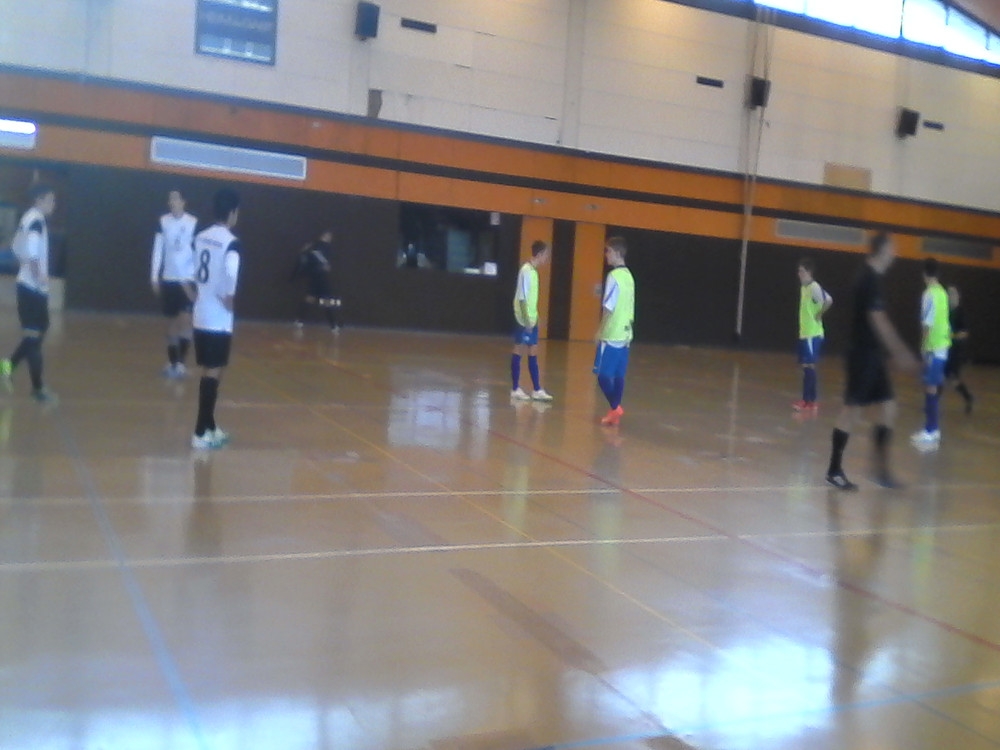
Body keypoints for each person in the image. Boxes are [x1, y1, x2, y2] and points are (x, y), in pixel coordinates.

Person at [825, 232, 918, 491]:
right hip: (862, 355)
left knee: (889, 407)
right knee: (851, 411)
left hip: (873, 355)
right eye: (892, 249)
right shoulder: (868, 279)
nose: (895, 254)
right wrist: (901, 353)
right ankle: (834, 470)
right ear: (882, 250)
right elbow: (879, 320)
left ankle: (880, 472)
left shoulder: (872, 278)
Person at [190, 188, 242, 450]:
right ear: (232, 213)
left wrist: (198, 294)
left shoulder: (200, 237)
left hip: (200, 313)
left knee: (214, 369)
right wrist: (229, 296)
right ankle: (200, 432)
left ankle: (210, 426)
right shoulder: (231, 242)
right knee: (212, 371)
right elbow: (231, 271)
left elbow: (189, 269)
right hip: (218, 318)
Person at [0, 184, 58, 403]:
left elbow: (16, 248)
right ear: (39, 200)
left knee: (39, 330)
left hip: (34, 289)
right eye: (50, 200)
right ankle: (38, 389)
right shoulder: (35, 221)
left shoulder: (29, 218)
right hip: (31, 289)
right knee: (33, 338)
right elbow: (31, 252)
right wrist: (37, 275)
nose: (53, 204)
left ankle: (7, 366)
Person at [150, 189, 197, 378]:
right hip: (169, 280)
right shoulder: (163, 222)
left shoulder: (193, 223)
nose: (172, 202)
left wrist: (194, 279)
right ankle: (171, 362)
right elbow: (157, 250)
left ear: (183, 202)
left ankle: (181, 364)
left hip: (186, 281)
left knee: (185, 322)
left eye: (176, 199)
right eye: (170, 199)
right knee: (171, 324)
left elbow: (197, 252)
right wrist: (154, 277)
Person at [594, 236, 635, 427]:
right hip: (626, 333)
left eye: (608, 251)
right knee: (618, 375)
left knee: (602, 376)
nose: (606, 255)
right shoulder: (629, 276)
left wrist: (600, 330)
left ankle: (615, 407)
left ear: (617, 253)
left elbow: (608, 307)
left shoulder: (614, 276)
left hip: (612, 333)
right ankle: (614, 414)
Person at [911, 258, 951, 452]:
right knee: (932, 387)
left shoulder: (929, 294)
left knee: (931, 388)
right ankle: (932, 429)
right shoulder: (942, 293)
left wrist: (923, 346)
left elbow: (927, 322)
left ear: (924, 274)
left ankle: (931, 431)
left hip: (933, 347)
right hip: (943, 346)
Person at [510, 240, 554, 401]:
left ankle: (536, 389)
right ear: (540, 254)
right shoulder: (526, 271)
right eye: (546, 255)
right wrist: (527, 320)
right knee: (518, 349)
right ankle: (515, 388)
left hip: (531, 318)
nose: (547, 259)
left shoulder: (534, 272)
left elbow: (531, 299)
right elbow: (522, 298)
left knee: (533, 351)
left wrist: (535, 316)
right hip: (523, 320)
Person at [793, 257, 832, 412]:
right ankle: (807, 400)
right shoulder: (804, 288)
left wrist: (819, 314)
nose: (799, 274)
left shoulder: (813, 287)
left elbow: (828, 300)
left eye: (802, 271)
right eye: (799, 271)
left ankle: (810, 401)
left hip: (812, 334)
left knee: (810, 366)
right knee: (806, 367)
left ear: (809, 272)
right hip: (805, 333)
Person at [291, 230, 341, 332]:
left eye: (330, 236)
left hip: (319, 278)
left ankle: (332, 325)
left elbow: (324, 263)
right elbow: (307, 259)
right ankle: (332, 325)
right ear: (322, 235)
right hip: (317, 278)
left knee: (319, 299)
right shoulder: (317, 247)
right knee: (315, 299)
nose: (329, 238)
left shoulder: (321, 248)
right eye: (327, 236)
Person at [943, 284, 974, 415]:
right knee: (944, 376)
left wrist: (952, 336)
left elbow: (964, 333)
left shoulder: (960, 312)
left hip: (956, 351)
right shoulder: (945, 311)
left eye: (953, 294)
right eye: (949, 294)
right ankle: (933, 404)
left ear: (957, 297)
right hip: (947, 349)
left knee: (953, 378)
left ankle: (968, 397)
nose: (951, 297)